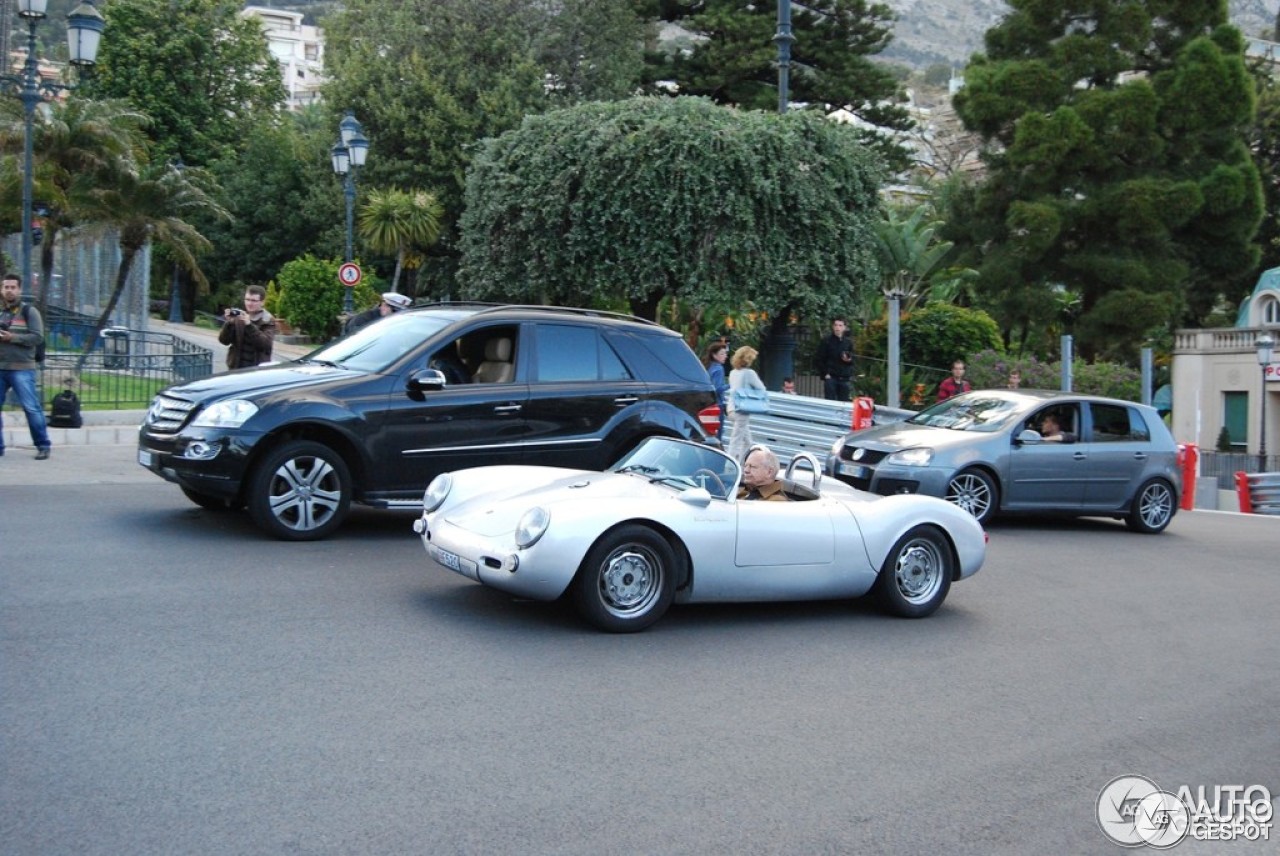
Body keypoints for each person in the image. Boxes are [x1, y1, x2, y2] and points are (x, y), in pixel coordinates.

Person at [0, 273, 51, 460]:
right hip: (1, 367)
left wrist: (12, 337)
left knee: (31, 408)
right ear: (1, 289)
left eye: (13, 287)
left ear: (19, 289)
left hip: (22, 367)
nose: (9, 290)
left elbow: (37, 337)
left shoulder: (29, 311)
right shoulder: (1, 312)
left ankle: (43, 445)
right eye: (6, 287)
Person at [218, 284, 277, 370]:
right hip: (235, 368)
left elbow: (265, 345)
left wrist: (249, 325)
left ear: (262, 302)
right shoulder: (239, 316)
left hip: (257, 370)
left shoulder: (267, 319)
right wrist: (229, 323)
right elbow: (224, 341)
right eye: (247, 299)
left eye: (253, 300)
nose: (249, 303)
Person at [726, 346, 765, 462]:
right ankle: (730, 464)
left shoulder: (733, 372)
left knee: (747, 440)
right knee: (736, 439)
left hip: (731, 408)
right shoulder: (749, 373)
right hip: (742, 409)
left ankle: (743, 463)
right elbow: (761, 388)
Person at [814, 317, 854, 401]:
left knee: (844, 403)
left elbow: (852, 359)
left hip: (844, 378)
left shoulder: (848, 342)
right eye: (835, 325)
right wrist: (825, 373)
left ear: (844, 327)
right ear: (833, 327)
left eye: (840, 325)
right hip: (831, 377)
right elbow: (819, 359)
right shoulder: (826, 341)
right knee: (830, 402)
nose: (837, 327)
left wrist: (849, 360)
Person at [344, 291, 412, 335]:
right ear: (384, 306)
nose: (398, 315)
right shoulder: (362, 320)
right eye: (395, 311)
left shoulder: (386, 322)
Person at [703, 342, 729, 438]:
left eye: (725, 353)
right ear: (714, 355)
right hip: (717, 404)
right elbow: (717, 389)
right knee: (717, 434)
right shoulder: (719, 369)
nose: (725, 356)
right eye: (722, 354)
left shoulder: (708, 367)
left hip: (707, 404)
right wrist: (731, 385)